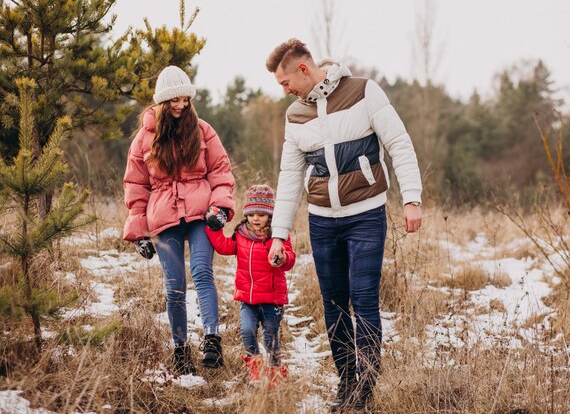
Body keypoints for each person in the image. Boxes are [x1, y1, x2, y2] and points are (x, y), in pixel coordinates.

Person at [265, 39, 423, 412]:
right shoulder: (295, 116)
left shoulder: (364, 92)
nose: (285, 91)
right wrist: (278, 235)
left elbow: (399, 143)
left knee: (364, 300)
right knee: (333, 305)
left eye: (286, 83)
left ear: (303, 69)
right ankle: (347, 382)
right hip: (322, 222)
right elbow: (289, 177)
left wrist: (412, 198)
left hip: (365, 215)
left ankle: (365, 390)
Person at [123, 65, 235, 375]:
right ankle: (180, 349)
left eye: (185, 99)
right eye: (174, 100)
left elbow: (221, 172)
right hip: (163, 217)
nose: (180, 106)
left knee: (202, 271)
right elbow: (135, 186)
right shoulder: (144, 139)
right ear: (161, 102)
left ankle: (212, 339)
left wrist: (220, 209)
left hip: (201, 215)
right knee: (174, 286)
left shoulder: (201, 130)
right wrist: (140, 234)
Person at [205, 184, 295, 387]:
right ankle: (255, 367)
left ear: (270, 216)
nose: (256, 219)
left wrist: (282, 258)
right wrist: (213, 229)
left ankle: (274, 373)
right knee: (247, 331)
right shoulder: (241, 234)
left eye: (261, 215)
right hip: (248, 298)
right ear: (246, 214)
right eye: (252, 214)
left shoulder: (278, 237)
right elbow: (225, 247)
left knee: (270, 335)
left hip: (272, 299)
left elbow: (289, 258)